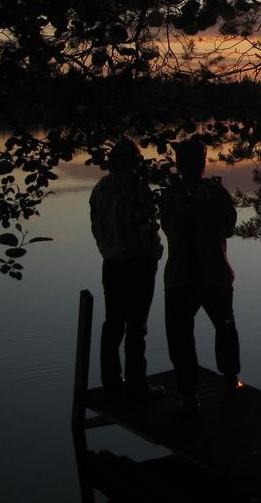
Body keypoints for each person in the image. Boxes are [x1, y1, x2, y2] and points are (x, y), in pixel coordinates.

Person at [160, 137, 241, 417]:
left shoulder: (170, 194)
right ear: (203, 162)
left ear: (179, 163)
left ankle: (190, 395)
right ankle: (230, 381)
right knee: (225, 326)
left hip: (181, 277)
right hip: (214, 274)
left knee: (181, 336)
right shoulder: (216, 193)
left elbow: (167, 227)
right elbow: (230, 227)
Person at [89, 138, 165, 400]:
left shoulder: (99, 189)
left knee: (113, 324)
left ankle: (111, 381)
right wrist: (155, 252)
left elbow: (95, 227)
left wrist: (107, 250)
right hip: (138, 263)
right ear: (134, 161)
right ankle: (136, 383)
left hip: (111, 263)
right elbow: (146, 229)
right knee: (136, 326)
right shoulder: (137, 189)